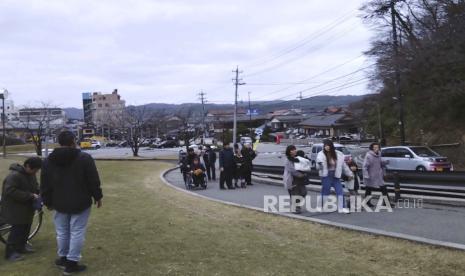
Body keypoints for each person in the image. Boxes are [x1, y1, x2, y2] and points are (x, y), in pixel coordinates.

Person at [41, 131, 103, 275]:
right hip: (81, 201)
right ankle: (71, 263)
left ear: (59, 142)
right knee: (77, 232)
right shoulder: (84, 158)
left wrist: (47, 201)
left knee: (62, 231)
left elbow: (45, 184)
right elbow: (93, 180)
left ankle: (63, 258)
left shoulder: (48, 160)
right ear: (73, 141)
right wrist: (98, 196)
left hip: (58, 201)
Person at [1, 157, 42, 261]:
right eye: (34, 170)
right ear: (27, 166)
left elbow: (35, 186)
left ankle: (21, 247)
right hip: (15, 208)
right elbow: (10, 191)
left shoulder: (31, 174)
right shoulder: (14, 176)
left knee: (26, 227)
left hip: (27, 207)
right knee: (17, 230)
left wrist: (38, 192)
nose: (35, 172)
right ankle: (10, 253)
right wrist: (30, 195)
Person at [316, 139, 352, 213]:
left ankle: (342, 207)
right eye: (325, 146)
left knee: (340, 191)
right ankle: (320, 206)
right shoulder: (321, 154)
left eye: (328, 146)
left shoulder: (338, 154)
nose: (327, 147)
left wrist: (349, 174)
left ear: (331, 146)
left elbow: (344, 166)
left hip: (335, 175)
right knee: (325, 192)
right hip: (326, 175)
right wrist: (320, 164)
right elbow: (318, 165)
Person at [363, 142, 394, 208]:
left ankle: (386, 203)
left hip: (379, 175)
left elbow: (381, 163)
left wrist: (385, 162)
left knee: (384, 189)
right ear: (372, 148)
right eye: (375, 147)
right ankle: (367, 202)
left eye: (377, 147)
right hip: (371, 176)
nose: (376, 149)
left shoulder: (379, 154)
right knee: (368, 190)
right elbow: (365, 166)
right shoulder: (368, 155)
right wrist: (366, 175)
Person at [283, 145, 307, 214]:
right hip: (292, 179)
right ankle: (296, 208)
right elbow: (292, 170)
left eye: (295, 149)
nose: (294, 151)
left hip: (300, 179)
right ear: (289, 152)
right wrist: (301, 175)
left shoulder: (298, 158)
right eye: (292, 150)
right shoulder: (288, 160)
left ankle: (296, 206)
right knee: (295, 194)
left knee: (303, 192)